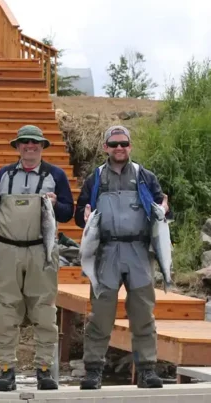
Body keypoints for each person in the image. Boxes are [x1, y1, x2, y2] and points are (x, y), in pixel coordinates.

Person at [0, 124, 74, 391]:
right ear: (18, 147)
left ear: (43, 146)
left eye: (35, 143)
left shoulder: (55, 175)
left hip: (42, 250)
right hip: (7, 251)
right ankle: (7, 369)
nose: (30, 147)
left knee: (44, 312)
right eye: (25, 143)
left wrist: (57, 204)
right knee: (6, 311)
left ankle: (44, 370)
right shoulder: (3, 175)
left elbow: (68, 213)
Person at [75, 125, 169, 390]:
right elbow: (78, 212)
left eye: (124, 143)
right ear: (105, 147)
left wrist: (165, 209)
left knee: (143, 314)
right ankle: (93, 370)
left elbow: (163, 211)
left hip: (139, 253)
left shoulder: (145, 176)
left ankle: (147, 370)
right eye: (114, 144)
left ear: (130, 146)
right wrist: (83, 213)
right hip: (105, 253)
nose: (119, 148)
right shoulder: (95, 179)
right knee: (100, 315)